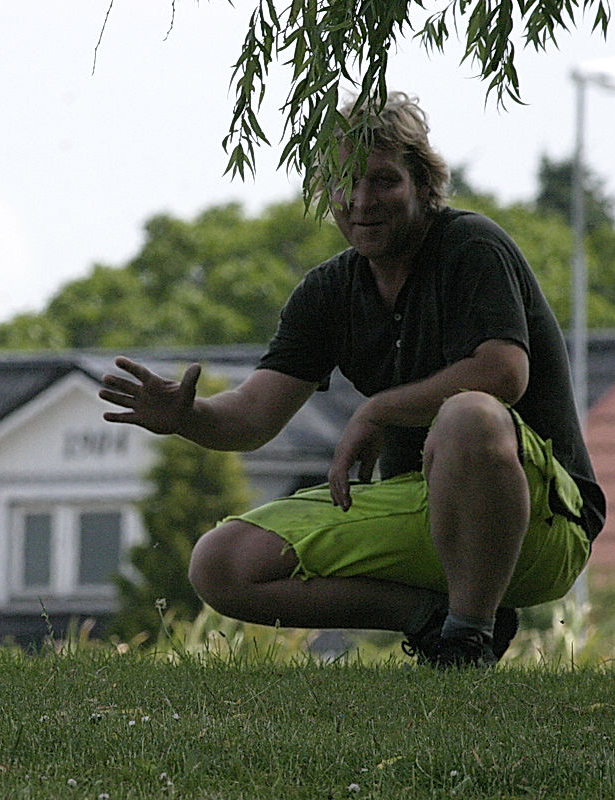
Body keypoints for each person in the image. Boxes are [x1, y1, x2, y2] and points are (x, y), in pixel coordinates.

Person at [99, 91, 604, 668]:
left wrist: (377, 409)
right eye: (344, 181)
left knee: (469, 414)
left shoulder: (472, 246)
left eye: (383, 181)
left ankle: (468, 641)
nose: (361, 201)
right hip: (419, 509)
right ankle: (431, 621)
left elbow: (503, 373)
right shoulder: (329, 290)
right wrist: (189, 417)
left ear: (423, 183)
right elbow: (253, 416)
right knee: (220, 563)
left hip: (543, 523)